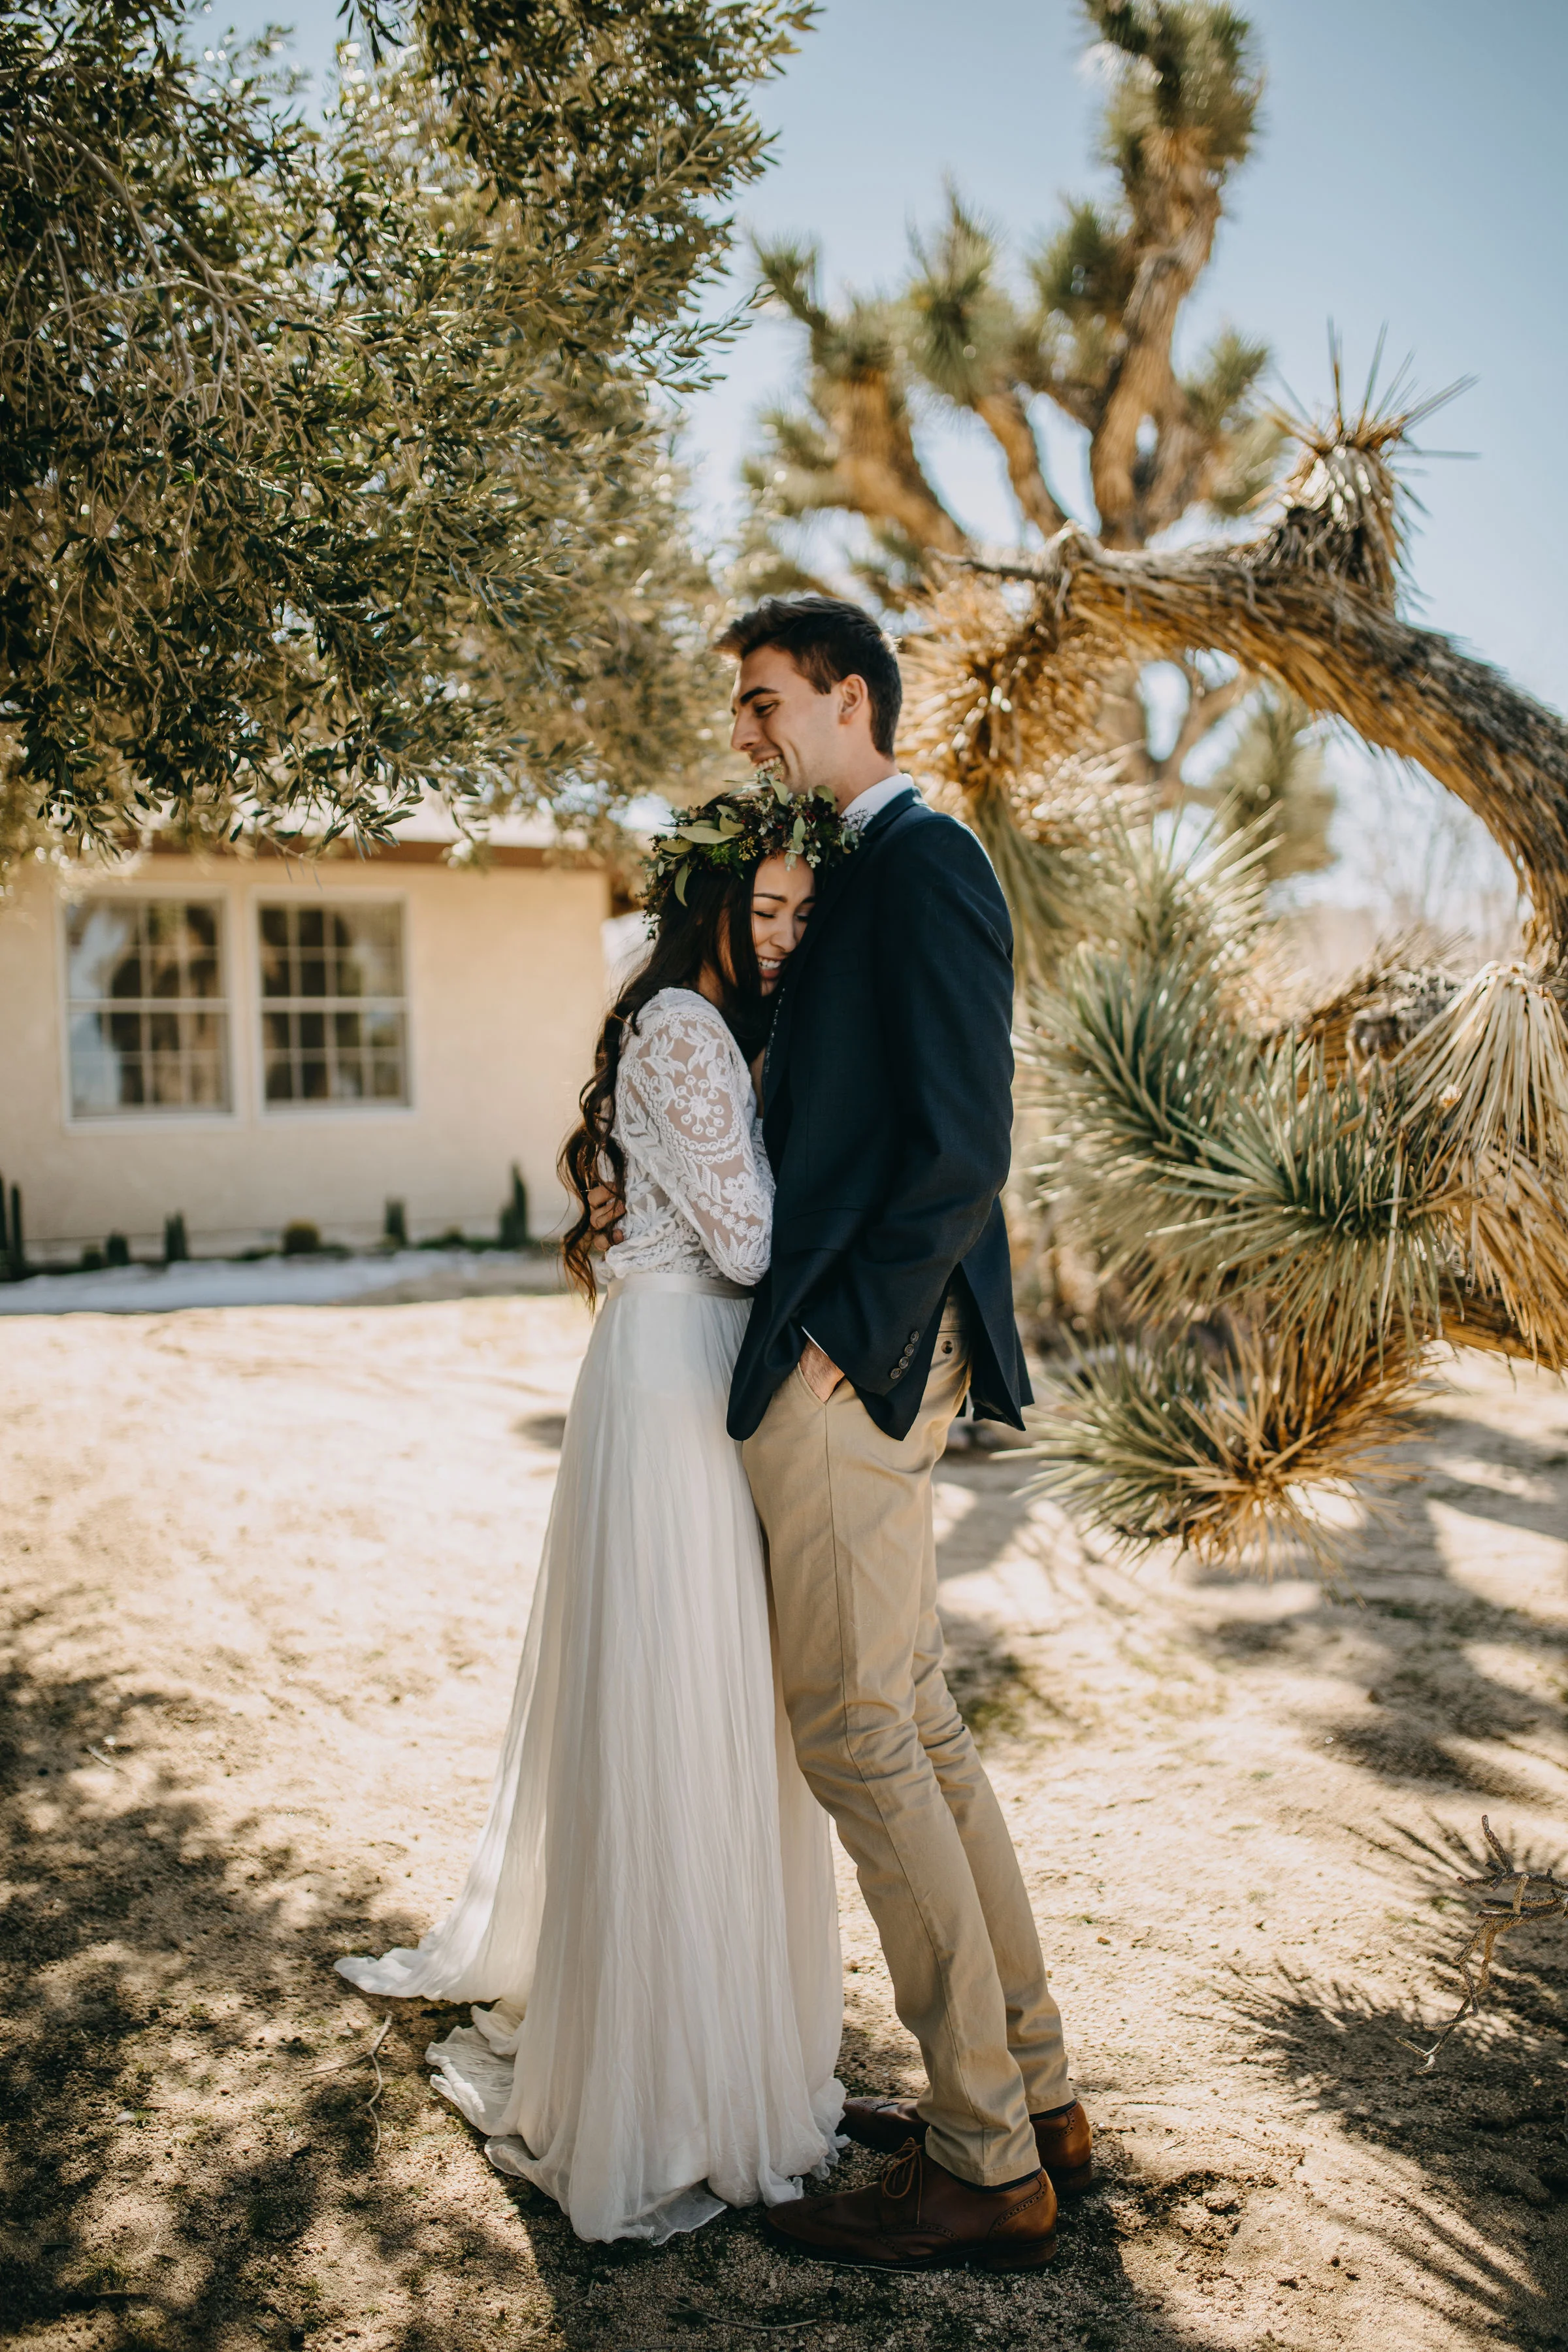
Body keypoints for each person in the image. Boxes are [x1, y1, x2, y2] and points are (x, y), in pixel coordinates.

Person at [336, 786, 858, 2244]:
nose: (782, 936)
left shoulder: (696, 1028)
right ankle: (671, 2076)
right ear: (704, 905)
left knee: (690, 1696)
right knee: (683, 1700)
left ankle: (697, 2034)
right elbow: (750, 1236)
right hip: (682, 1368)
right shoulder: (688, 1031)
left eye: (800, 916)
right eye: (762, 909)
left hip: (675, 1367)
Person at [719, 596, 1090, 2275]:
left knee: (861, 1734)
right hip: (865, 1361)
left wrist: (832, 1350)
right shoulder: (869, 861)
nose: (748, 731)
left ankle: (983, 2163)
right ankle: (1035, 2097)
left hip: (855, 1369)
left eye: (766, 700)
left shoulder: (925, 852)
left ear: (849, 699)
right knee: (918, 1723)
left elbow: (960, 1146)